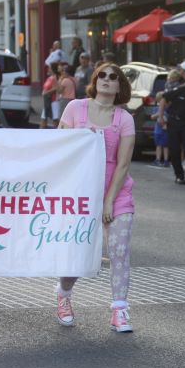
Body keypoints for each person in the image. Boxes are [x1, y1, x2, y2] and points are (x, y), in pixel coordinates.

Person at [57, 63, 136, 332]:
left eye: (113, 77)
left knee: (119, 251)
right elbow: (58, 145)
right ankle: (64, 294)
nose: (106, 79)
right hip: (80, 192)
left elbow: (123, 164)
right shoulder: (75, 108)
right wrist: (79, 137)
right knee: (79, 253)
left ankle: (119, 310)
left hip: (116, 192)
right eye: (101, 75)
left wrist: (109, 201)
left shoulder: (124, 119)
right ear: (94, 80)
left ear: (119, 86)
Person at [40, 63, 60, 128]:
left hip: (53, 101)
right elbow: (45, 87)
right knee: (43, 118)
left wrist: (46, 92)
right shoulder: (49, 78)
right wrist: (44, 92)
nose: (48, 69)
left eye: (49, 68)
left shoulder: (55, 78)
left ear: (53, 69)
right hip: (47, 101)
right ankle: (42, 132)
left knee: (55, 120)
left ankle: (57, 132)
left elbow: (56, 88)